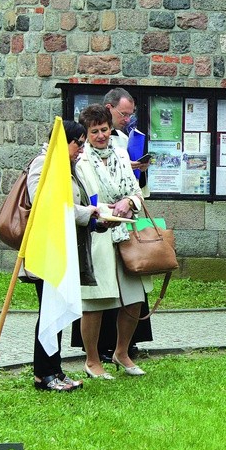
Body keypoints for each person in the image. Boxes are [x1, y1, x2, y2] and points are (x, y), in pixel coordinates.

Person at [71, 87, 153, 363]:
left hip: (125, 230)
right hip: (98, 232)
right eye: (94, 132)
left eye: (104, 130)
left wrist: (129, 202)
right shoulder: (80, 162)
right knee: (95, 300)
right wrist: (105, 209)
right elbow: (82, 199)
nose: (101, 135)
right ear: (86, 135)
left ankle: (122, 353)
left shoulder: (120, 154)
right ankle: (92, 359)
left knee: (133, 297)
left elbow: (136, 192)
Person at [25, 120, 101, 391]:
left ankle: (55, 371)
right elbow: (42, 203)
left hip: (64, 249)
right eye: (77, 143)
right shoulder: (43, 163)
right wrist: (85, 214)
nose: (81, 149)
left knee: (56, 309)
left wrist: (94, 213)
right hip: (47, 250)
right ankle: (43, 374)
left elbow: (72, 203)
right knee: (48, 311)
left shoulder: (68, 166)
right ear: (62, 141)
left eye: (82, 144)